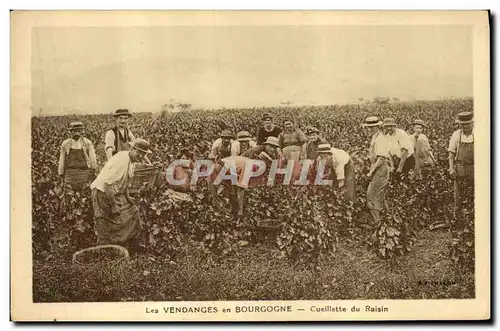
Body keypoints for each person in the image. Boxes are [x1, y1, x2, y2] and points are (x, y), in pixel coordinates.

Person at [90, 138, 152, 251]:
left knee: (133, 211)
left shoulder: (131, 162)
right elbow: (107, 184)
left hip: (115, 193)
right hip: (102, 193)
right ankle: (104, 251)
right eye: (139, 153)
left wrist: (128, 198)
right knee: (103, 222)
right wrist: (114, 205)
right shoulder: (121, 160)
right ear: (132, 149)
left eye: (143, 154)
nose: (141, 157)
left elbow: (124, 183)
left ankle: (132, 243)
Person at [365, 122, 393, 227]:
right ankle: (387, 219)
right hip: (379, 168)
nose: (370, 129)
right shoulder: (375, 137)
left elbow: (381, 159)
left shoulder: (380, 139)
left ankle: (378, 222)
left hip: (380, 169)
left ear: (378, 127)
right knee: (379, 194)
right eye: (369, 127)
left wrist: (370, 173)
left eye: (373, 127)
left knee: (371, 195)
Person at [448, 111, 474, 216]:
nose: (466, 126)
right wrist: (451, 168)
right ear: (459, 125)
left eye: (468, 124)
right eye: (463, 124)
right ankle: (458, 217)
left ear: (472, 123)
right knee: (458, 194)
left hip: (474, 167)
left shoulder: (477, 133)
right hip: (460, 167)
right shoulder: (456, 135)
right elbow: (451, 152)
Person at [58, 121, 97, 190]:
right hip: (70, 174)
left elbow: (92, 158)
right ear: (70, 132)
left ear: (82, 131)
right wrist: (61, 173)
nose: (76, 133)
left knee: (84, 193)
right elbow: (62, 160)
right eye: (74, 131)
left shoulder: (87, 143)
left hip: (84, 173)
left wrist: (93, 169)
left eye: (78, 130)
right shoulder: (65, 144)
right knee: (70, 194)